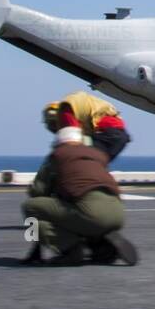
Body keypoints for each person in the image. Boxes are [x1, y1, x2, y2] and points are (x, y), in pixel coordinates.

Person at [21, 126, 138, 266]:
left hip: (90, 212)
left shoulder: (57, 155)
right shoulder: (96, 155)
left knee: (29, 208)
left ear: (58, 142)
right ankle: (99, 244)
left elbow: (37, 192)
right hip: (117, 212)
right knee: (77, 212)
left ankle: (71, 249)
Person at [43, 90, 130, 162]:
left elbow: (71, 142)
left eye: (53, 127)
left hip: (107, 134)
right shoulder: (76, 107)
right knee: (94, 165)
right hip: (118, 135)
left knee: (80, 162)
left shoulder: (66, 112)